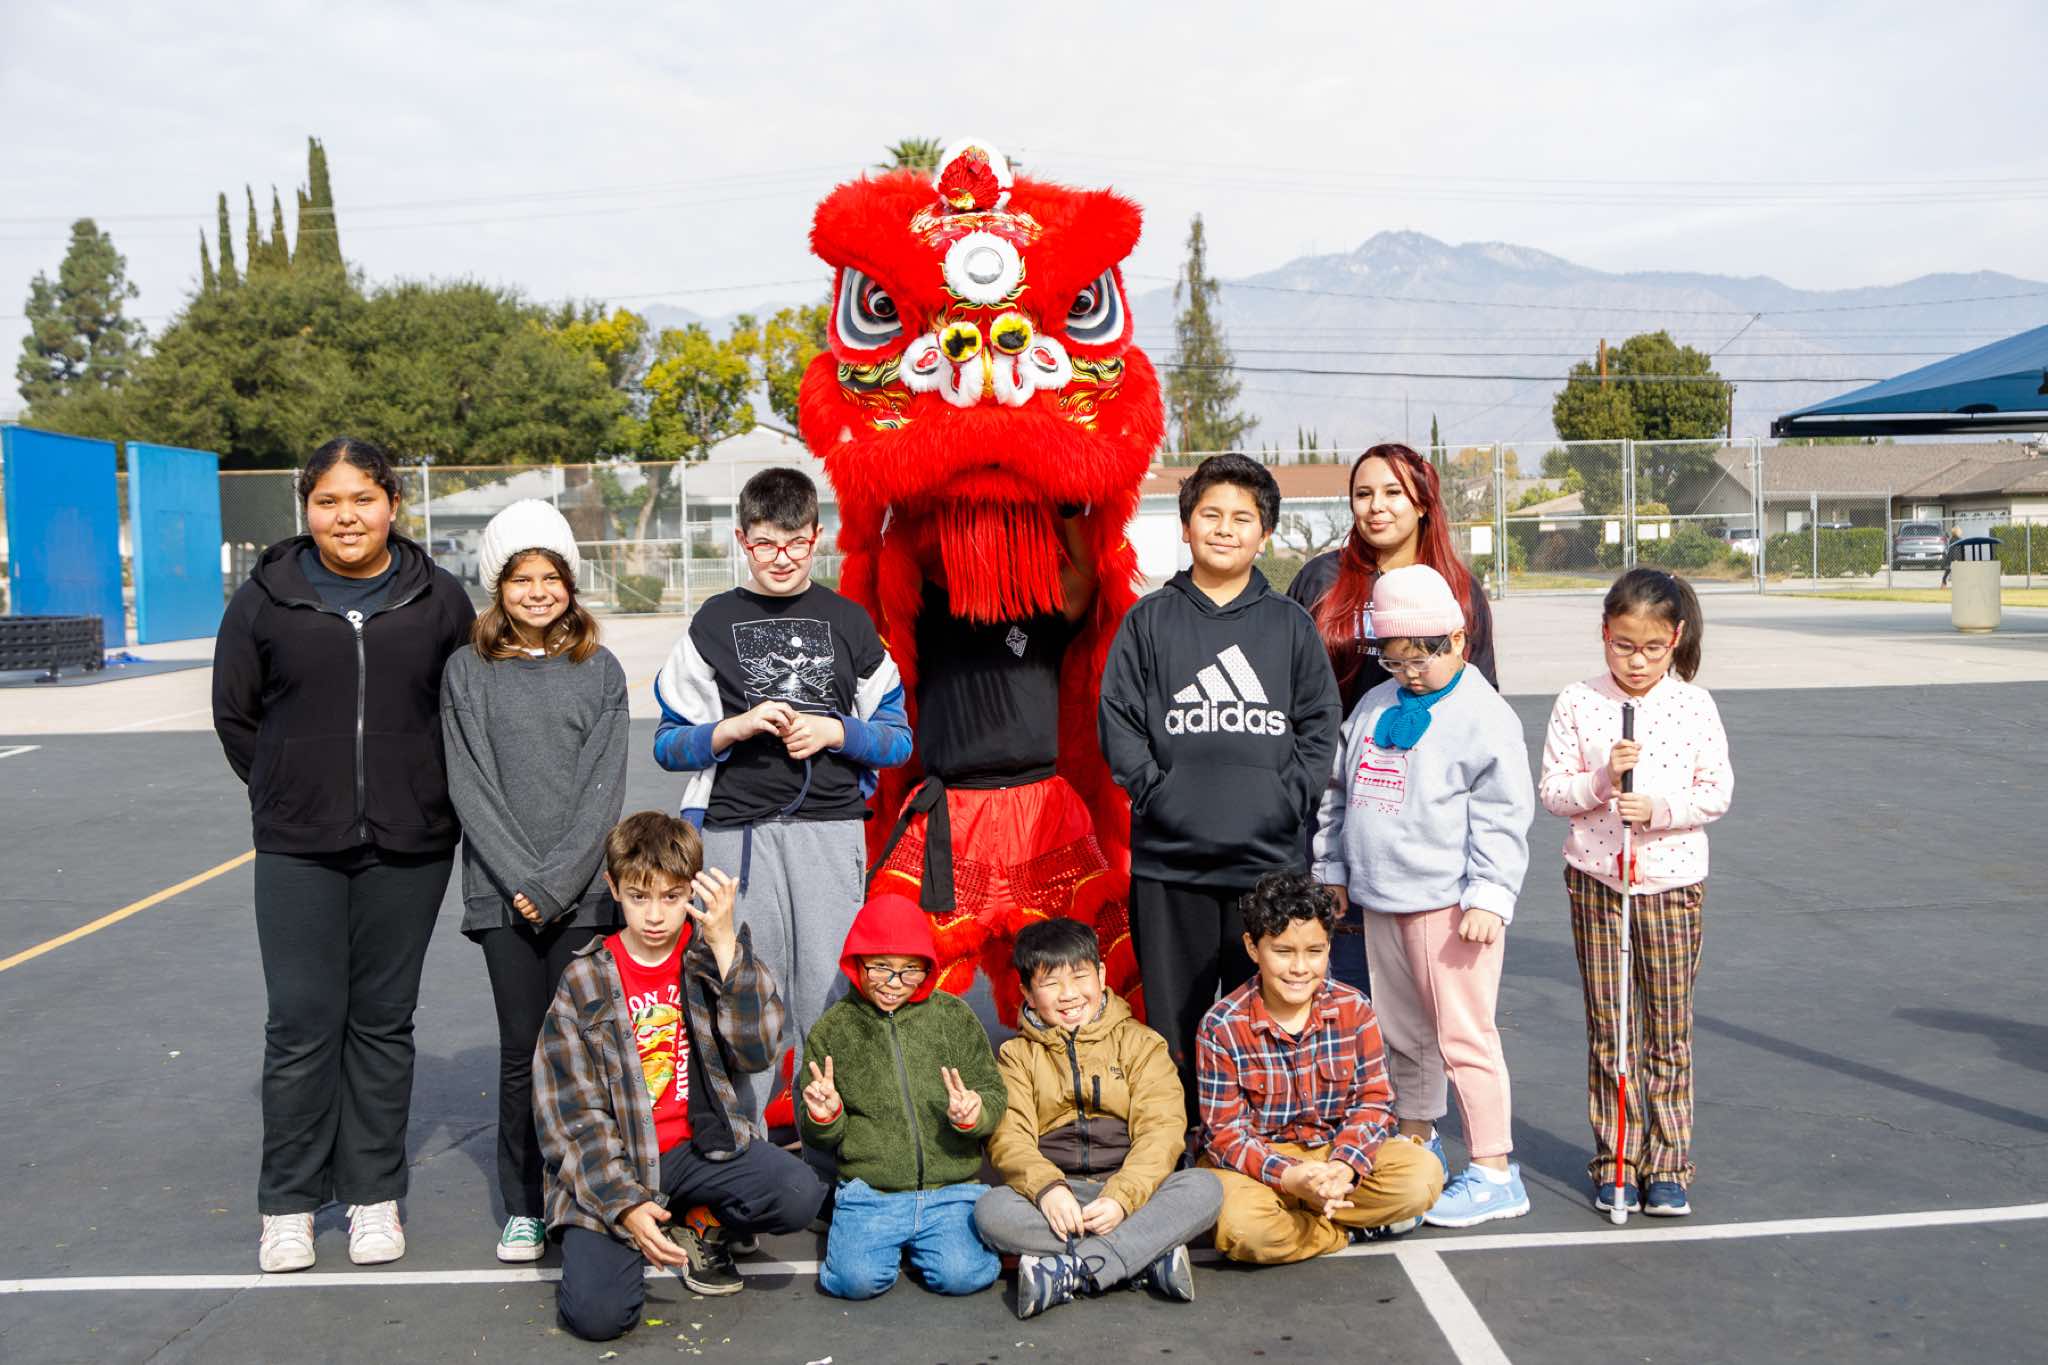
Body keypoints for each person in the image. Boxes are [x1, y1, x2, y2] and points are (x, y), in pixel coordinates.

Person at [212, 436, 476, 1273]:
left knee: (382, 1022)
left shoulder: (440, 598)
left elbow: (464, 706)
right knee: (300, 1020)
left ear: (393, 502)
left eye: (362, 498)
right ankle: (288, 1204)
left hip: (411, 842)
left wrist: (419, 793)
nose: (346, 515)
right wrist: (290, 787)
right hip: (298, 844)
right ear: (307, 509)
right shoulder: (264, 599)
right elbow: (237, 716)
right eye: (328, 501)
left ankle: (372, 1194)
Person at [652, 467, 911, 1140]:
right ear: (742, 539)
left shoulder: (849, 621)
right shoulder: (712, 623)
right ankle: (746, 1150)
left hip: (830, 832)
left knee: (829, 988)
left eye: (796, 542)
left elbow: (898, 738)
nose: (782, 557)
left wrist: (836, 732)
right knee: (746, 989)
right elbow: (668, 744)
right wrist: (731, 729)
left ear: (817, 536)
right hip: (735, 837)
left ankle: (834, 1145)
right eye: (766, 543)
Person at [1099, 453, 1340, 1124]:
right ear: (1186, 526)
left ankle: (1254, 1144)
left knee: (1263, 1020)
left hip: (1266, 866)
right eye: (1211, 514)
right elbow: (1119, 721)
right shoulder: (1149, 621)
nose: (1225, 529)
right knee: (1172, 1029)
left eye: (1242, 517)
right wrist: (1158, 795)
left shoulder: (1289, 625)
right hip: (1170, 866)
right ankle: (1177, 1147)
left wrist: (1286, 800)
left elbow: (1320, 723)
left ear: (1265, 533)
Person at [534, 812, 825, 1341]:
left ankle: (697, 1218)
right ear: (613, 889)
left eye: (671, 897)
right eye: (638, 896)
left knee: (799, 1193)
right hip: (618, 1163)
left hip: (697, 1152)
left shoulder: (709, 957)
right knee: (598, 1317)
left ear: (692, 889)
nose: (654, 915)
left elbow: (759, 1050)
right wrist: (626, 1207)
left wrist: (727, 947)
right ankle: (642, 1222)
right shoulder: (583, 979)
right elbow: (569, 1117)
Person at [1312, 565, 1535, 1229]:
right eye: (1395, 657)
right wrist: (1332, 867)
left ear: (1458, 640)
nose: (1410, 672)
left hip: (1451, 906)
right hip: (1382, 898)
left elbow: (1503, 814)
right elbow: (1338, 791)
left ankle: (1494, 1169)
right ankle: (1416, 1141)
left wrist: (1490, 894)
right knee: (1402, 1032)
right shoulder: (1374, 705)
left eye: (1422, 656)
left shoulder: (1483, 716)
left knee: (1463, 1035)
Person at [441, 500, 629, 1263]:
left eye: (551, 577)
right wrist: (525, 881)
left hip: (582, 895)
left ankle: (583, 1190)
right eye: (522, 578)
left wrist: (557, 884)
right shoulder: (467, 671)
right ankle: (523, 1204)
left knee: (584, 1047)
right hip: (502, 898)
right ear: (499, 586)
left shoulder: (599, 669)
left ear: (570, 585)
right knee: (522, 1048)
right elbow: (470, 785)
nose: (538, 591)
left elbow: (602, 789)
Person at [1539, 568, 1732, 1218]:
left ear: (1675, 638)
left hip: (1671, 886)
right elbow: (1554, 791)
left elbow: (1716, 792)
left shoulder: (1694, 705)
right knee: (1611, 1030)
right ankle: (1616, 1160)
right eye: (1624, 646)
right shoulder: (1578, 702)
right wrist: (1601, 781)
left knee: (1667, 1032)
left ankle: (1668, 1164)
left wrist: (1658, 808)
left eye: (1652, 647)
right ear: (1604, 634)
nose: (1638, 661)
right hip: (1598, 883)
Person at [1287, 442, 1500, 995]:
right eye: (1363, 494)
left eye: (1393, 493)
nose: (1376, 506)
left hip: (1422, 826)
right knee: (1339, 986)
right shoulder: (1320, 581)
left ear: (1423, 503)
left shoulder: (1458, 591)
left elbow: (1480, 713)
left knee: (1424, 1005)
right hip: (1332, 811)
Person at [975, 919, 1224, 1319]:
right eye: (1051, 983)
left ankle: (1069, 1270)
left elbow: (1161, 1131)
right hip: (1060, 1201)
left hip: (1133, 1193)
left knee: (1204, 1187)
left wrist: (1122, 1197)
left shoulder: (1141, 1043)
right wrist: (1048, 1190)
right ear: (1027, 994)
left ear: (1102, 975)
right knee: (990, 1210)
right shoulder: (1016, 1057)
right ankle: (1143, 1258)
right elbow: (1010, 1138)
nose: (1069, 994)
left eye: (1079, 977)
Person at [1195, 872, 1442, 1262]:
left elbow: (1374, 1102)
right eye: (1282, 951)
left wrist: (1345, 1165)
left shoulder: (1354, 1008)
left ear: (1329, 947)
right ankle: (1342, 1231)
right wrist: (1291, 1176)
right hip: (1261, 1169)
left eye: (1314, 951)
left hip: (1332, 1153)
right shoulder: (1221, 1025)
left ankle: (1303, 1222)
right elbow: (1225, 1135)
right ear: (1253, 948)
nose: (1299, 968)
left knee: (1422, 1176)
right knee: (1242, 1229)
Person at [799, 891, 1007, 1300]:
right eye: (880, 968)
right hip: (871, 1195)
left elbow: (992, 1091)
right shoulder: (833, 1030)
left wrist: (975, 1113)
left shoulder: (954, 1016)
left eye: (909, 970)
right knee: (853, 1282)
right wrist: (826, 1116)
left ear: (927, 967)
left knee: (963, 1276)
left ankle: (933, 1243)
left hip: (951, 1191)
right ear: (857, 962)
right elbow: (818, 1136)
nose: (894, 984)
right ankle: (880, 1244)